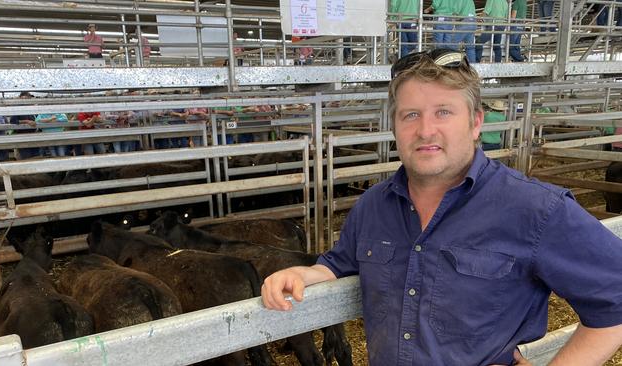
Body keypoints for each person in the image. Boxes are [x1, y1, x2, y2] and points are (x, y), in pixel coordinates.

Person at [261, 48, 622, 365]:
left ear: (476, 121)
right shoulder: (374, 205)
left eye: (444, 112)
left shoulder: (535, 209)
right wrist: (304, 274)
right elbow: (342, 262)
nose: (426, 130)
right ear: (394, 126)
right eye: (411, 115)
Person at [9, 92, 41, 159]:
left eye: (28, 98)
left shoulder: (33, 108)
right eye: (24, 98)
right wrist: (27, 121)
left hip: (34, 136)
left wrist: (36, 122)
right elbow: (13, 121)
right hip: (22, 136)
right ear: (20, 98)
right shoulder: (17, 108)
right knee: (26, 155)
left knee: (36, 155)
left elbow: (39, 118)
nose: (26, 100)